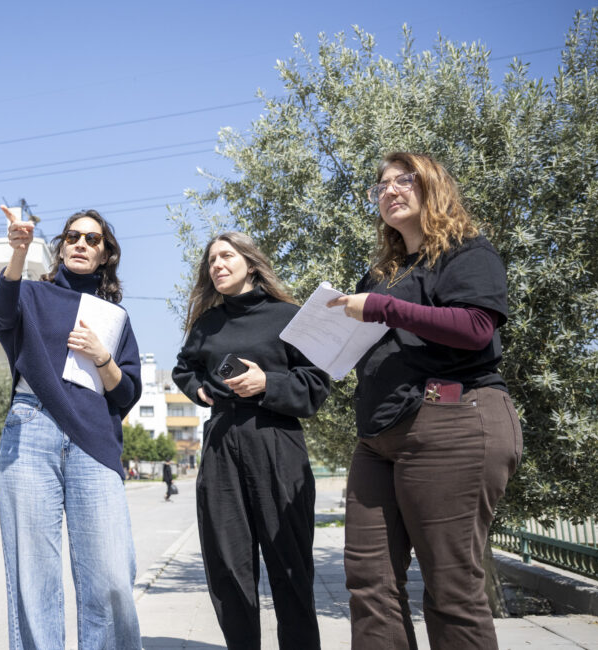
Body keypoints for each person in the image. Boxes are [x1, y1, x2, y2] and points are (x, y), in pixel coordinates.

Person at [326, 152, 522, 649]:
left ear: (431, 185)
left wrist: (381, 308)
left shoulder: (466, 252)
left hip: (453, 422)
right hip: (379, 437)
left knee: (451, 590)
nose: (390, 190)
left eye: (403, 180)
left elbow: (477, 329)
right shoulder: (380, 275)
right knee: (370, 585)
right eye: (382, 185)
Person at [0, 206, 144, 650]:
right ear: (61, 247)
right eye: (73, 236)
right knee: (33, 575)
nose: (81, 243)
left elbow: (127, 392)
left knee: (113, 575)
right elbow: (2, 316)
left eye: (92, 239)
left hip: (93, 439)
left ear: (105, 255)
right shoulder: (32, 294)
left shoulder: (116, 319)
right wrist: (18, 253)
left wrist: (102, 356)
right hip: (31, 425)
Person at [173, 232, 331, 650]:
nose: (217, 265)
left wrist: (267, 383)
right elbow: (184, 369)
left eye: (226, 256)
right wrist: (200, 391)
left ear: (250, 263)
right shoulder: (207, 323)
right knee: (228, 567)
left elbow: (316, 386)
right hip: (222, 444)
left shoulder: (289, 317)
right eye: (211, 261)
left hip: (276, 441)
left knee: (290, 565)